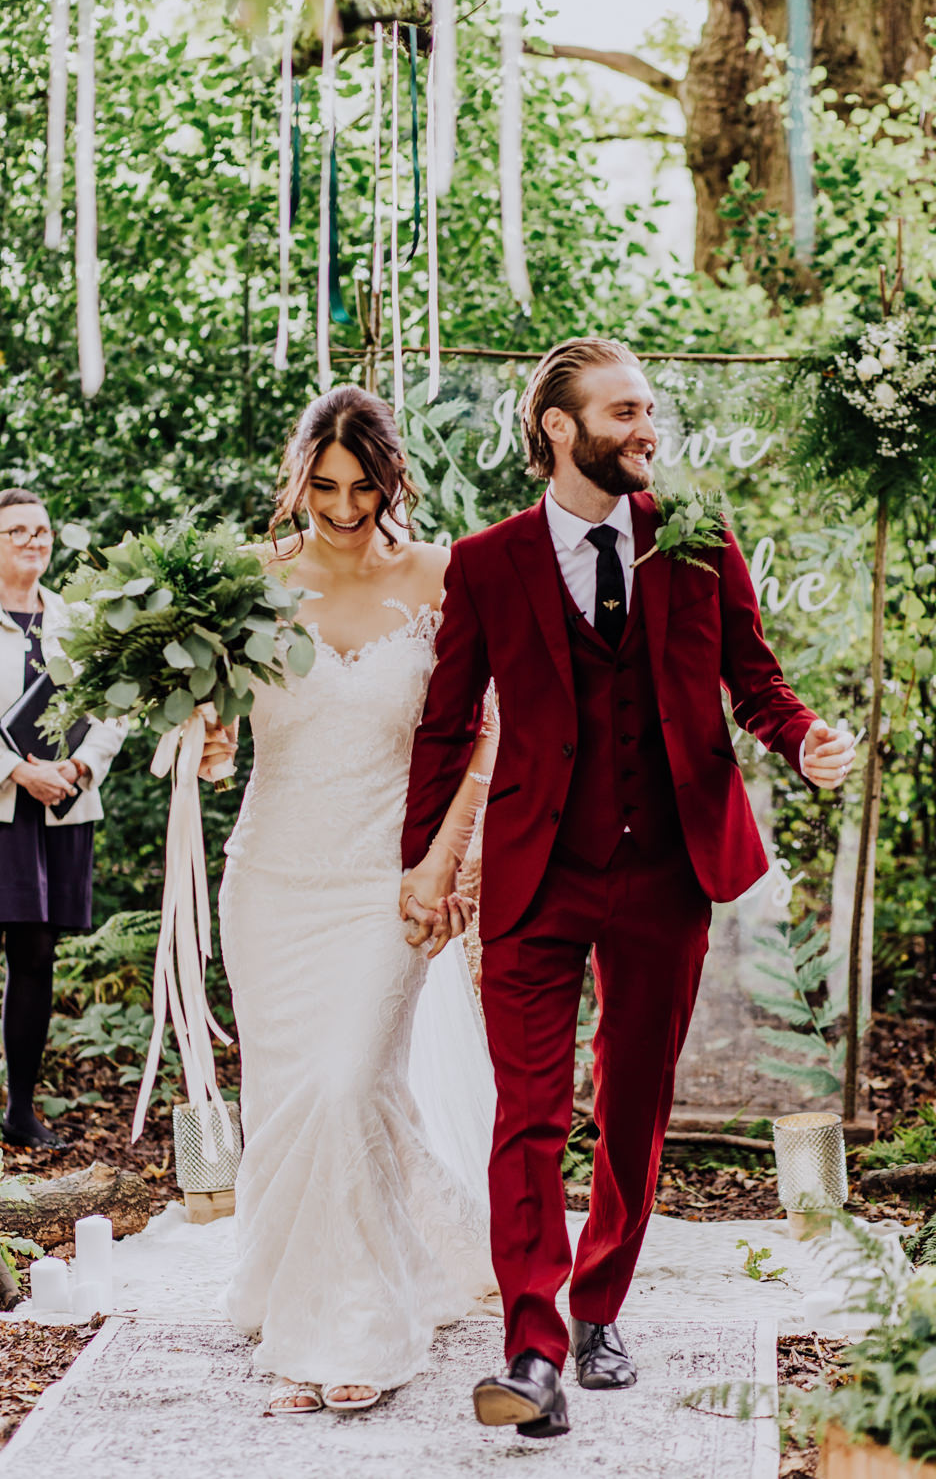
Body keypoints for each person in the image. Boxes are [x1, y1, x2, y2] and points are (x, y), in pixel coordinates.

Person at [399, 338, 856, 1439]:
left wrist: (801, 742)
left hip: (665, 871)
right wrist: (422, 862)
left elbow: (756, 682)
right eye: (624, 410)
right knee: (529, 1112)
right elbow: (449, 719)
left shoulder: (695, 540)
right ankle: (531, 1343)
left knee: (634, 1103)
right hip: (534, 868)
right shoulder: (487, 562)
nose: (646, 427)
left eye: (648, 408)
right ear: (561, 428)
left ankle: (599, 1310)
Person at [200, 386, 497, 1415]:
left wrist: (451, 864)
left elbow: (483, 734)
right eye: (322, 486)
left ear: (389, 480)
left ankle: (355, 1333)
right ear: (299, 481)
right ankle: (302, 1299)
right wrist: (207, 735)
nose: (340, 506)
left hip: (387, 881)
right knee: (297, 1100)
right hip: (270, 880)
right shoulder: (248, 582)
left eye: (360, 486)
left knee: (343, 1082)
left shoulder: (442, 577)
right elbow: (217, 725)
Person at [0, 488, 126, 1166]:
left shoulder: (83, 622)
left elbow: (115, 708)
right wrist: (20, 772)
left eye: (42, 530)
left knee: (37, 956)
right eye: (15, 531)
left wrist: (78, 767)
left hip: (62, 805)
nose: (33, 541)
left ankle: (21, 1111)